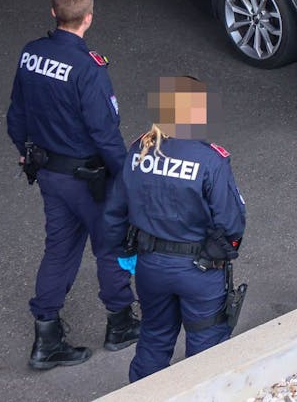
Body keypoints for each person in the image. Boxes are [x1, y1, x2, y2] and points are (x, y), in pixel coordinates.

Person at [6, 0, 141, 370]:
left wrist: (26, 151)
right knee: (111, 246)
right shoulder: (88, 68)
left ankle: (46, 339)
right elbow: (104, 132)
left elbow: (16, 113)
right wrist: (128, 177)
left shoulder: (30, 54)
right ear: (89, 18)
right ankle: (120, 324)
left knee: (59, 251)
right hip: (90, 179)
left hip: (50, 173)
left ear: (53, 13)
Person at [103, 77, 246, 383]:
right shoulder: (211, 159)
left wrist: (124, 253)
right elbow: (231, 222)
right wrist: (215, 257)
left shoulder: (138, 151)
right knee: (206, 349)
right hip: (199, 270)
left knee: (154, 338)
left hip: (151, 266)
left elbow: (114, 212)